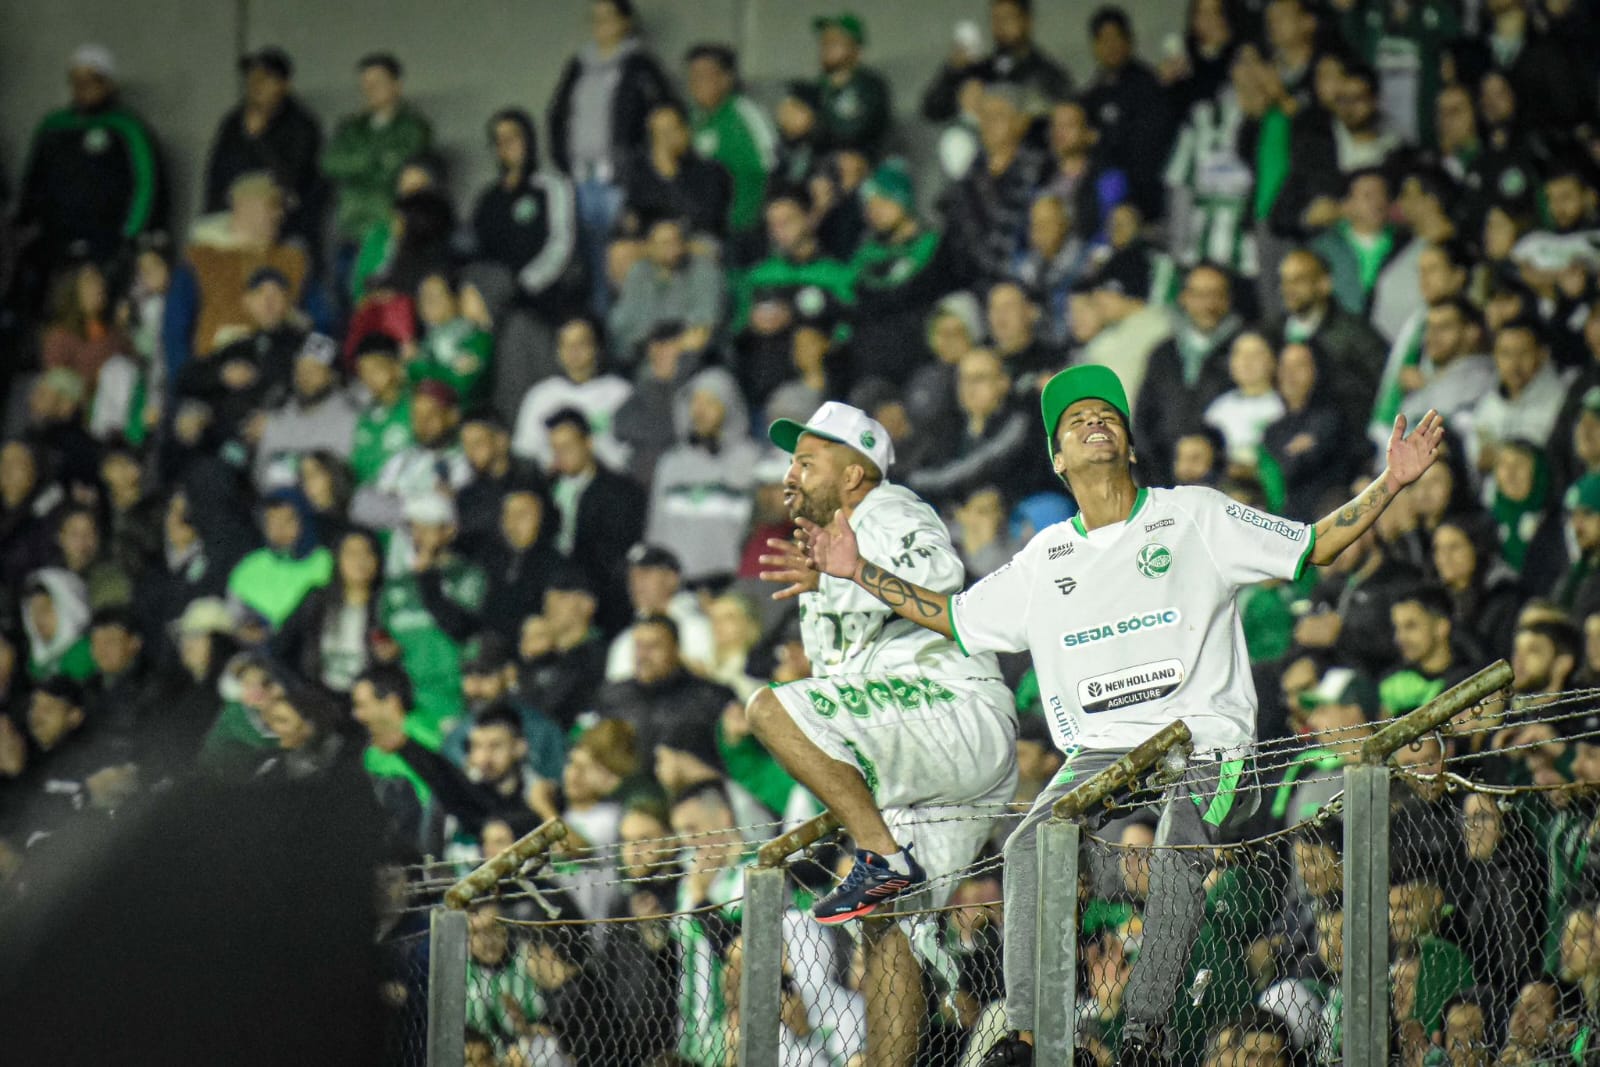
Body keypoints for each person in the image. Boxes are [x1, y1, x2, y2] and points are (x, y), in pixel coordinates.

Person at [786, 363, 1445, 1065]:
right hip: (1103, 748)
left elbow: (1312, 544)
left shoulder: (1193, 511)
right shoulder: (1046, 557)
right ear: (1058, 458)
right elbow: (953, 616)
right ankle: (1030, 1030)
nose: (1095, 422)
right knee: (1027, 845)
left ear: (1129, 445)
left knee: (1176, 846)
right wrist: (861, 573)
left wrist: (1392, 482)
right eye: (1076, 421)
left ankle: (1144, 1030)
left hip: (1205, 737)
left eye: (1109, 416)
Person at [752, 400, 1018, 1065]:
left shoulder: (888, 510)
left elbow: (941, 581)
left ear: (853, 474)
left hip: (954, 707)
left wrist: (848, 572)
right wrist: (826, 582)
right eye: (790, 460)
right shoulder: (828, 557)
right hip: (931, 745)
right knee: (883, 917)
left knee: (767, 708)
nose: (791, 473)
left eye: (807, 461)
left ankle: (881, 852)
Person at [548, 0, 679, 314]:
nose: (601, 25)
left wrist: (640, 167)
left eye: (608, 18)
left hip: (619, 179)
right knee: (582, 258)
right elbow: (557, 115)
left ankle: (621, 325)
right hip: (580, 177)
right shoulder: (579, 65)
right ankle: (592, 321)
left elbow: (664, 113)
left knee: (618, 257)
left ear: (625, 23)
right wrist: (562, 160)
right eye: (596, 19)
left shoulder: (640, 65)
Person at [14, 42, 164, 298]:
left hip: (108, 246)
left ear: (108, 84)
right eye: (76, 80)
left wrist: (130, 235)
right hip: (56, 246)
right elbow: (33, 182)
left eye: (91, 80)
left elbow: (147, 184)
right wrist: (29, 226)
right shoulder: (53, 126)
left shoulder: (127, 128)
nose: (82, 88)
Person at [320, 54, 432, 275]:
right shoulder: (351, 127)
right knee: (341, 288)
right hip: (348, 220)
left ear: (396, 86)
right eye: (365, 84)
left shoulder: (413, 127)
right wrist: (375, 159)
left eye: (377, 83)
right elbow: (330, 163)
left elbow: (395, 170)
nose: (370, 90)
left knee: (377, 291)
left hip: (386, 221)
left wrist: (355, 163)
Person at [1136, 263, 1244, 486]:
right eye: (1199, 294)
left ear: (1228, 299)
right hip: (1164, 481)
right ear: (1184, 298)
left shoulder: (1244, 349)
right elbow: (1143, 421)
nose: (1207, 303)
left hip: (1224, 485)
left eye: (1215, 294)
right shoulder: (1163, 353)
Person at [202, 47, 323, 247]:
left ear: (284, 85)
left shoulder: (301, 125)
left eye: (265, 78)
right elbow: (216, 175)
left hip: (285, 230)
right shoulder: (234, 122)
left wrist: (258, 139)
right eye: (252, 78)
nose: (255, 85)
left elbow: (293, 180)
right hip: (234, 227)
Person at [542, 408, 645, 632]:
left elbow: (615, 553)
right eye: (555, 449)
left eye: (567, 447)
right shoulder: (545, 490)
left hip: (602, 601)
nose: (560, 455)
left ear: (588, 443)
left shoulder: (620, 491)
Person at [1080, 6, 1176, 222]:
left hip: (1141, 201)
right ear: (1094, 45)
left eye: (1116, 38)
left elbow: (1148, 147)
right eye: (1103, 39)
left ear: (1129, 40)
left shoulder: (1148, 86)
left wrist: (1103, 140)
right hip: (1099, 203)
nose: (1110, 46)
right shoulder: (1092, 95)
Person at [684, 43, 777, 254]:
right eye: (692, 76)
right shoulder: (690, 119)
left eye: (703, 76)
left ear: (726, 79)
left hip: (743, 227)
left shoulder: (745, 114)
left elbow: (771, 166)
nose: (695, 83)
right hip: (700, 229)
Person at [510, 317, 632, 472]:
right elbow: (525, 450)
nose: (574, 351)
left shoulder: (620, 393)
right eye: (566, 344)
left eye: (581, 343)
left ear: (597, 347)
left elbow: (629, 451)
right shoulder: (541, 395)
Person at [920, 0, 1073, 123]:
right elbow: (932, 110)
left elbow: (1064, 115)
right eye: (995, 19)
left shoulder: (1048, 72)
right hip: (983, 153)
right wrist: (953, 71)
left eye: (1007, 18)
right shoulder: (980, 70)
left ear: (1027, 21)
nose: (1000, 27)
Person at [809, 13, 891, 158]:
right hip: (819, 166)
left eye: (834, 42)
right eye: (824, 42)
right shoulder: (816, 88)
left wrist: (813, 125)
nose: (826, 48)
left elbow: (856, 134)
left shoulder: (871, 86)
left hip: (863, 164)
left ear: (856, 49)